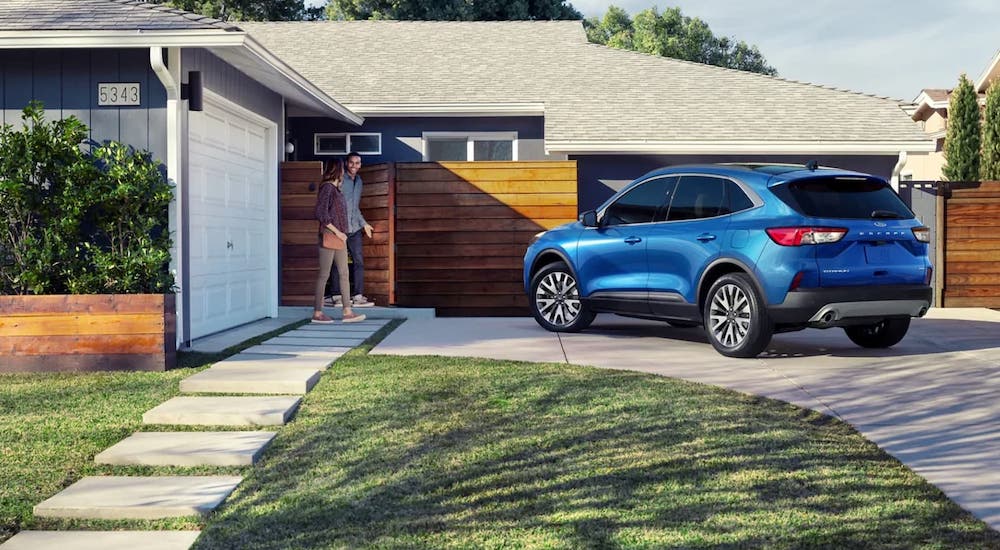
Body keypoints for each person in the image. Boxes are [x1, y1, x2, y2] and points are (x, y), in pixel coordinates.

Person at [313, 159, 366, 324]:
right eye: (342, 169)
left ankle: (347, 311)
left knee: (344, 273)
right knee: (324, 275)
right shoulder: (327, 188)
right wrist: (338, 232)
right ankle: (317, 313)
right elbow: (321, 214)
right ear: (337, 170)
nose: (344, 172)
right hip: (329, 236)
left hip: (340, 237)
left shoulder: (337, 190)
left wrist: (342, 233)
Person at [325, 151, 375, 308]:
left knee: (358, 261)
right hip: (339, 228)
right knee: (337, 263)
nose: (354, 165)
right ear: (346, 163)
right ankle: (336, 295)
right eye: (352, 162)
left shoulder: (359, 181)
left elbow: (355, 208)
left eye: (358, 163)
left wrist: (364, 224)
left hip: (354, 229)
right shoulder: (339, 179)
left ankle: (358, 296)